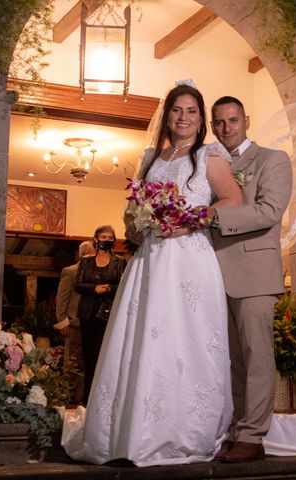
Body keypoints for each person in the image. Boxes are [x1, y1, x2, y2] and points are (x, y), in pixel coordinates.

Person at [61, 83, 243, 466]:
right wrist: (137, 227)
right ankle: (132, 429)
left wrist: (191, 220)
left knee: (186, 335)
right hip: (151, 258)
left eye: (192, 111)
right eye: (177, 110)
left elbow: (232, 200)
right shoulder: (149, 158)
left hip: (190, 257)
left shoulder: (210, 155)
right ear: (167, 115)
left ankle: (184, 429)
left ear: (201, 118)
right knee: (143, 333)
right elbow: (131, 211)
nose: (183, 118)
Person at [209, 96, 292, 462]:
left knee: (257, 357)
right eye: (220, 123)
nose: (227, 128)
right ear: (213, 127)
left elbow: (269, 210)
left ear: (246, 120)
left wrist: (211, 217)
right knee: (234, 361)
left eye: (233, 121)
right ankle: (238, 430)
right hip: (214, 276)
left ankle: (254, 437)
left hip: (255, 275)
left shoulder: (272, 159)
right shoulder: (210, 163)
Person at [73, 225, 127, 404]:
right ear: (95, 239)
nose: (106, 239)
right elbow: (78, 285)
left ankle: (103, 400)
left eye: (109, 236)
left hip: (108, 313)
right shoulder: (86, 261)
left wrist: (109, 288)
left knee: (103, 357)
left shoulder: (120, 261)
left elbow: (124, 286)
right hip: (87, 314)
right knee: (88, 358)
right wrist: (94, 288)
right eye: (102, 236)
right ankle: (87, 399)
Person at [53, 240, 96, 405]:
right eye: (92, 253)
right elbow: (62, 299)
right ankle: (70, 397)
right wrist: (63, 321)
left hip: (91, 323)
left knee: (88, 362)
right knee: (73, 362)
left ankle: (85, 397)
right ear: (84, 253)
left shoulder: (96, 273)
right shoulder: (70, 271)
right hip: (74, 323)